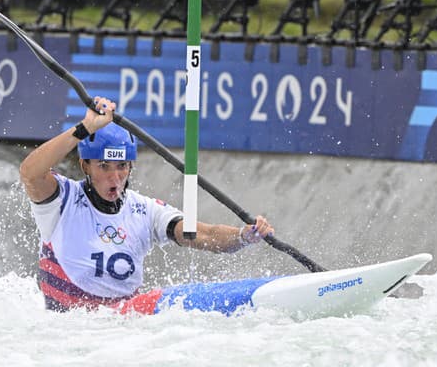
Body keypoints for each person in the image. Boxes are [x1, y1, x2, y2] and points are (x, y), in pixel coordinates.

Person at [19, 96, 275, 312]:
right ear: (85, 165)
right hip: (64, 329)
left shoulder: (146, 210)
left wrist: (244, 236)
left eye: (122, 167)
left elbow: (201, 234)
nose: (114, 177)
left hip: (123, 328)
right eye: (104, 166)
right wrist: (84, 127)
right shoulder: (63, 200)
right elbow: (30, 172)